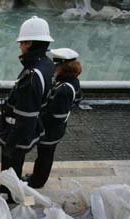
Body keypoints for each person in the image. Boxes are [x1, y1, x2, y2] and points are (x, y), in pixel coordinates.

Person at [0, 16, 56, 180]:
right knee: (17, 163)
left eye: (21, 43)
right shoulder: (48, 65)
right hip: (29, 127)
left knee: (11, 166)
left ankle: (9, 194)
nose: (20, 46)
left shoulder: (32, 76)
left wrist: (10, 143)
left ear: (29, 43)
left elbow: (25, 116)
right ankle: (11, 190)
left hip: (17, 132)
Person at [24, 48, 83, 188]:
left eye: (54, 64)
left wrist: (38, 120)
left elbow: (56, 116)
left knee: (45, 156)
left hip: (50, 130)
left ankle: (37, 182)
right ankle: (37, 177)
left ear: (62, 67)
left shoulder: (64, 89)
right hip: (55, 129)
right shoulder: (72, 81)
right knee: (45, 155)